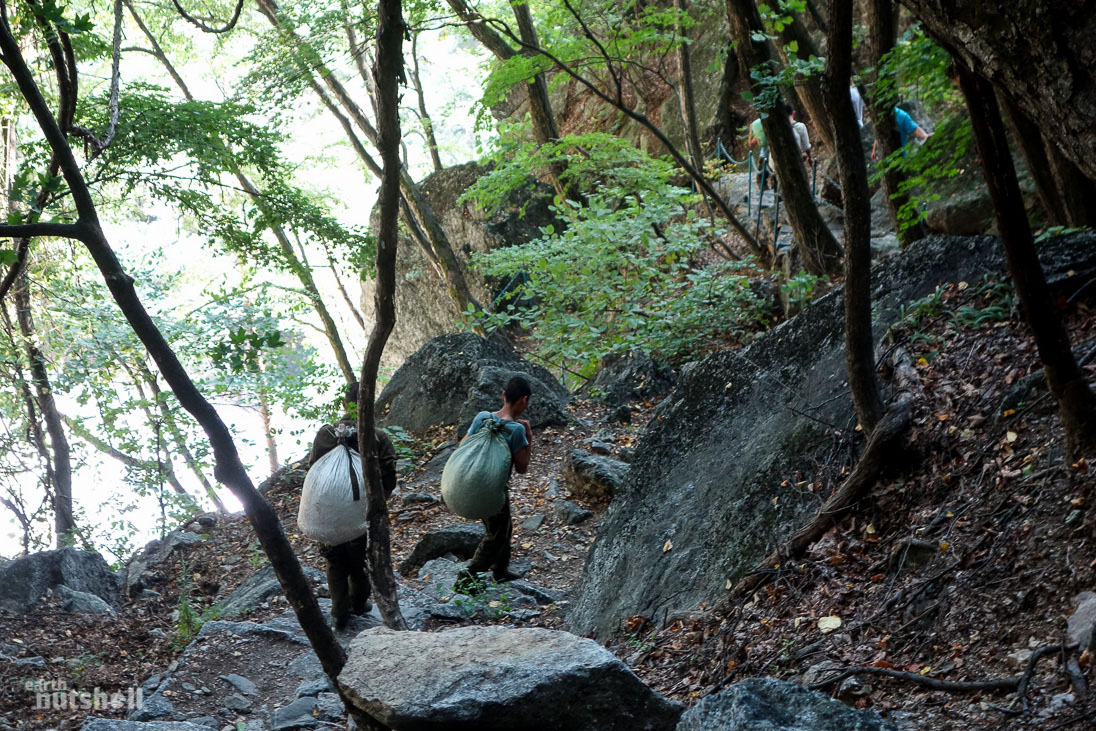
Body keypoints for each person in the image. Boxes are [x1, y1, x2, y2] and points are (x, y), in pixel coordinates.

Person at [307, 381, 398, 630]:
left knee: (335, 561)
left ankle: (339, 612)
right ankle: (358, 603)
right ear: (370, 405)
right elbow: (389, 480)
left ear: (344, 404)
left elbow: (313, 471)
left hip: (328, 510)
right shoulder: (377, 437)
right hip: (361, 512)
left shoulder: (325, 434)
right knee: (361, 561)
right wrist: (377, 507)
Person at [455, 376, 532, 591]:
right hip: (492, 489)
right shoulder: (516, 430)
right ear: (524, 400)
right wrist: (529, 435)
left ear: (503, 395)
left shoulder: (482, 417)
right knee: (495, 535)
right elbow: (522, 467)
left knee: (504, 527)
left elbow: (463, 445)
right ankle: (467, 578)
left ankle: (500, 570)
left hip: (472, 482)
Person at [746, 115, 770, 191]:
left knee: (760, 178)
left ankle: (764, 191)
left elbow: (750, 144)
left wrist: (751, 130)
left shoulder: (758, 128)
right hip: (773, 155)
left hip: (764, 156)